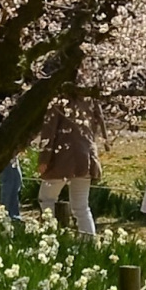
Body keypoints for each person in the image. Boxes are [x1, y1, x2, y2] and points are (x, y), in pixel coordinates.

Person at [36, 98, 100, 238]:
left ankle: (49, 237)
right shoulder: (89, 96)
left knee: (46, 199)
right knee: (81, 207)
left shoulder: (58, 97)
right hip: (86, 156)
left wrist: (44, 159)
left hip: (62, 158)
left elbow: (49, 130)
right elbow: (97, 122)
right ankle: (89, 243)